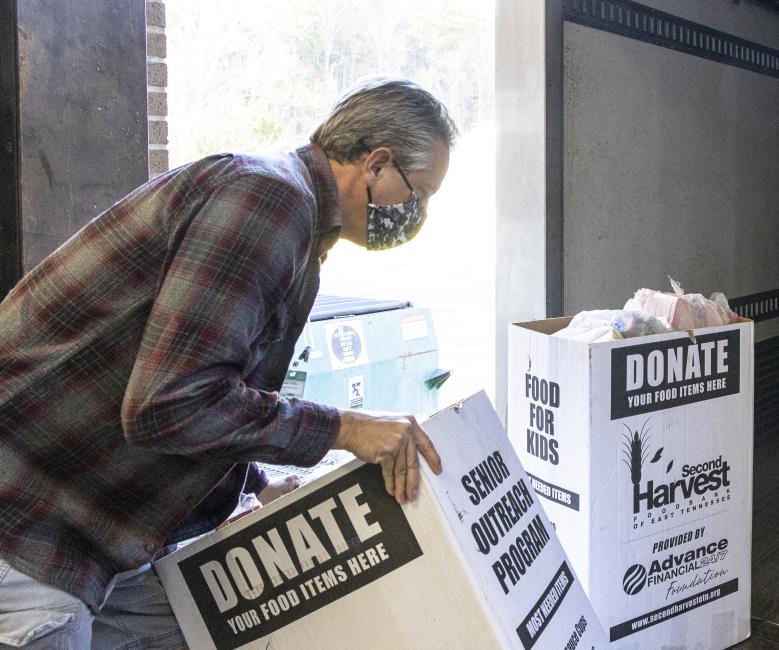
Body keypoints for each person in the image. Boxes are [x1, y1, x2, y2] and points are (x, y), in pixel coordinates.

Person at [0, 77, 453, 647]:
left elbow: (210, 378)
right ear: (378, 165)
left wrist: (253, 484)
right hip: (31, 524)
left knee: (199, 623)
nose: (419, 213)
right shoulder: (268, 201)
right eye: (422, 192)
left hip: (98, 523)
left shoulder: (291, 217)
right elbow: (167, 405)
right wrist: (346, 428)